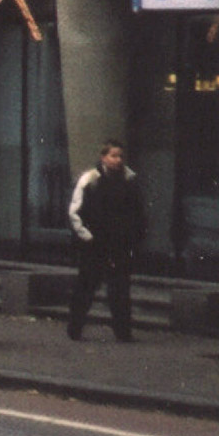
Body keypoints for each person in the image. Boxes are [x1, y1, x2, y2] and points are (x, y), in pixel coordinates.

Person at [67, 140, 145, 342]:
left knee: (120, 290)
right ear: (103, 157)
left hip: (119, 244)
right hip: (95, 244)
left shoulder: (129, 180)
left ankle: (123, 332)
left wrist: (133, 238)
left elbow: (138, 212)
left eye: (120, 156)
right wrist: (87, 237)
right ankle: (74, 329)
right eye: (113, 156)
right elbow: (75, 212)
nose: (118, 160)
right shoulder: (90, 180)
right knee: (86, 287)